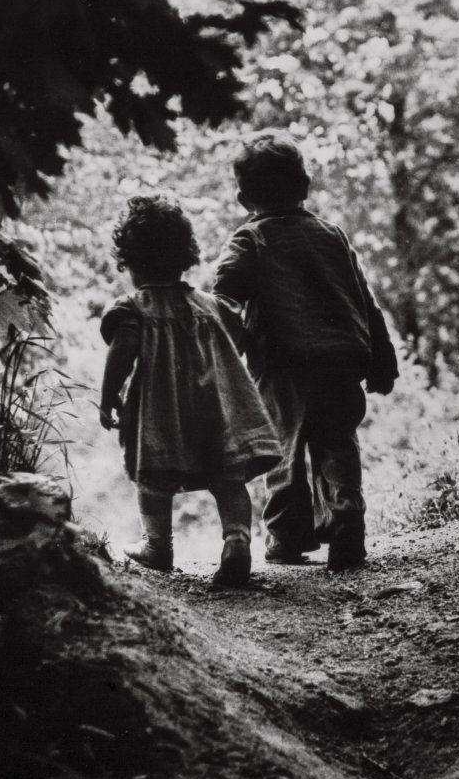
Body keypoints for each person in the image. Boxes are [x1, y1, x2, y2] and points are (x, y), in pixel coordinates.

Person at [213, 130, 398, 572]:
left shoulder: (250, 239)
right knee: (337, 443)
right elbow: (364, 299)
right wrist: (382, 359)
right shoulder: (332, 235)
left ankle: (286, 538)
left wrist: (235, 339)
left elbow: (223, 292)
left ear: (243, 199)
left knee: (283, 451)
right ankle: (347, 518)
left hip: (284, 365)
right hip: (342, 361)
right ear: (305, 186)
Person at [99, 194, 280, 587]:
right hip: (216, 409)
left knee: (152, 481)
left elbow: (123, 349)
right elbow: (241, 338)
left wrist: (108, 395)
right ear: (185, 256)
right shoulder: (211, 305)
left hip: (160, 416)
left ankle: (157, 547)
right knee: (229, 478)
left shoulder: (133, 308)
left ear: (129, 262)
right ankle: (236, 540)